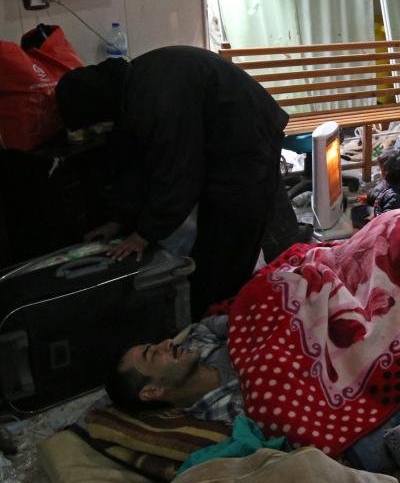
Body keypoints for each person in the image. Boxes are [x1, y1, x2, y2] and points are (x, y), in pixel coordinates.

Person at [55, 46, 291, 319]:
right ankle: (212, 312)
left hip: (246, 139)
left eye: (93, 126)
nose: (96, 131)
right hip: (225, 138)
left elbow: (179, 174)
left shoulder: (154, 99)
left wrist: (144, 234)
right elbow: (140, 168)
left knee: (230, 240)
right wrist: (118, 221)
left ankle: (226, 321)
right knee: (213, 241)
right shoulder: (133, 89)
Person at [105, 315, 242, 424]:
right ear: (153, 391)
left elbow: (205, 325)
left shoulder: (194, 342)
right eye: (153, 354)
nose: (168, 342)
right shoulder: (226, 409)